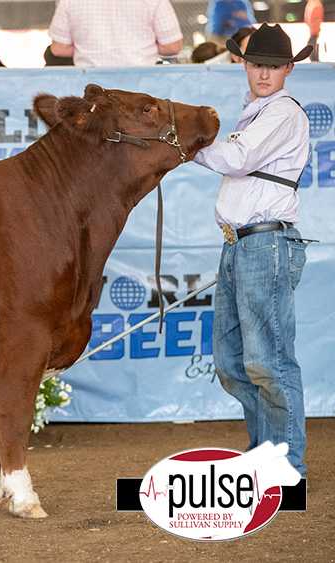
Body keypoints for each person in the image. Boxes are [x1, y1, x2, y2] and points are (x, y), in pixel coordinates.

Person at [192, 23, 314, 478]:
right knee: (231, 363)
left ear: (288, 69)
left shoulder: (282, 113)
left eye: (275, 66)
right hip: (241, 244)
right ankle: (265, 456)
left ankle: (286, 468)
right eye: (257, 63)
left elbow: (236, 159)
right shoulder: (258, 112)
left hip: (265, 244)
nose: (265, 73)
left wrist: (182, 144)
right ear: (244, 64)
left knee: (268, 360)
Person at [48, 0, 183, 68]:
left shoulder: (70, 1)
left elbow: (59, 48)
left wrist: (89, 49)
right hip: (140, 88)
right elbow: (172, 46)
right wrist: (142, 48)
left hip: (91, 88)